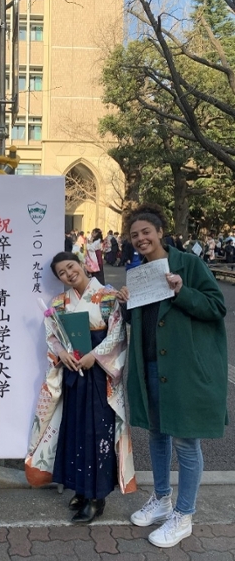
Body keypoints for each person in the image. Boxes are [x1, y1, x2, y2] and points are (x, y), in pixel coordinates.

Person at [116, 203, 227, 548]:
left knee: (186, 440)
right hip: (150, 364)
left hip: (181, 368)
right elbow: (141, 321)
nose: (140, 239)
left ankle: (184, 514)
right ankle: (162, 499)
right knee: (157, 435)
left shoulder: (188, 265)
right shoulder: (138, 273)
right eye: (134, 235)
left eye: (146, 232)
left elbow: (216, 306)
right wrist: (124, 304)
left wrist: (181, 291)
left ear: (160, 232)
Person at [26, 252, 136, 523]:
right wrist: (61, 352)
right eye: (61, 273)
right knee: (74, 430)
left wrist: (95, 356)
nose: (68, 274)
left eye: (70, 267)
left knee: (96, 433)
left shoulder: (108, 297)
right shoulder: (60, 303)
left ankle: (97, 497)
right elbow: (52, 334)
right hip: (74, 374)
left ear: (83, 264)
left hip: (99, 375)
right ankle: (80, 488)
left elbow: (118, 334)